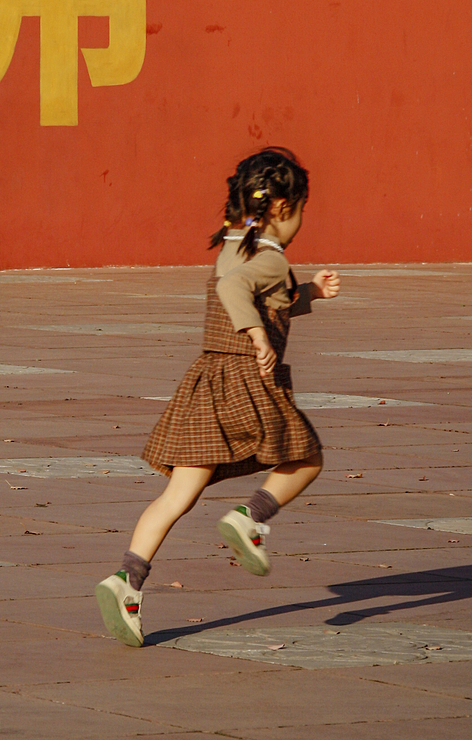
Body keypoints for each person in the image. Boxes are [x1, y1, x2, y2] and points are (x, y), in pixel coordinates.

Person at [95, 146, 340, 648]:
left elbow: (262, 296)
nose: (300, 222)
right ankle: (249, 519)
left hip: (207, 384)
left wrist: (310, 292)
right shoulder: (270, 257)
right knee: (306, 459)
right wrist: (255, 336)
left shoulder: (234, 241)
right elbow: (236, 292)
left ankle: (126, 582)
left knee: (177, 497)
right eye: (301, 210)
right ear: (280, 208)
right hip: (246, 380)